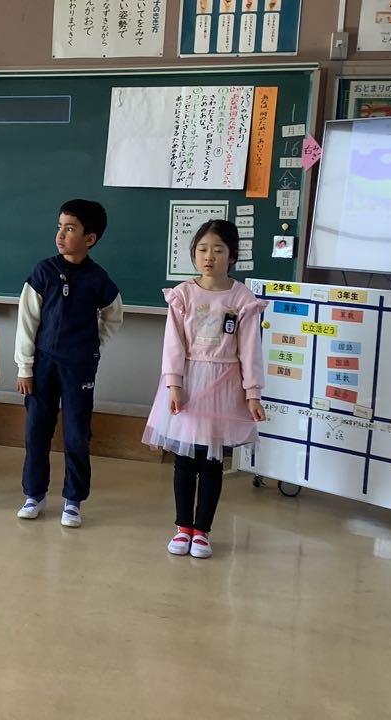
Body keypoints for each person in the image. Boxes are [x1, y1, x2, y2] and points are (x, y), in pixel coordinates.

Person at [142, 219, 267, 559]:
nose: (209, 256)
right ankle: (183, 527)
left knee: (211, 461)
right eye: (202, 249)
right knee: (184, 459)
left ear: (232, 255)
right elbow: (173, 345)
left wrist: (253, 393)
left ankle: (202, 532)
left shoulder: (242, 298)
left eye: (218, 250)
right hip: (188, 381)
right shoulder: (183, 294)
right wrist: (174, 384)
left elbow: (250, 350)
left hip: (225, 386)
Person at [14, 199, 123, 528]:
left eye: (70, 228)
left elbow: (113, 316)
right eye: (59, 227)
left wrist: (93, 345)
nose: (61, 235)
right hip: (43, 364)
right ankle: (34, 494)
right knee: (37, 431)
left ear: (90, 238)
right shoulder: (43, 271)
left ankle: (73, 500)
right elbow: (27, 322)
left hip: (79, 367)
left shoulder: (97, 278)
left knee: (77, 434)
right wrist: (25, 367)